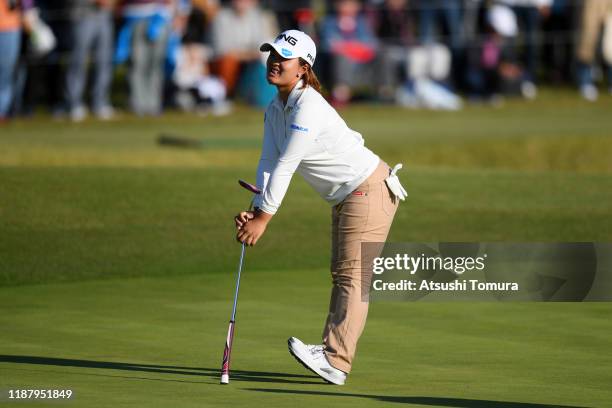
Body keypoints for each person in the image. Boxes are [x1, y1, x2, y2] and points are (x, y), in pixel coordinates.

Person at [233, 30, 407, 385]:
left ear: (303, 68)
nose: (275, 62)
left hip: (368, 188)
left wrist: (265, 218)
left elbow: (288, 164)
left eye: (284, 57)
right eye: (272, 54)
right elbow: (268, 161)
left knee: (352, 276)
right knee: (344, 274)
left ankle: (335, 360)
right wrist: (255, 207)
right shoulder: (275, 108)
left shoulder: (309, 106)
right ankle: (333, 356)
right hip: (349, 194)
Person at [65, 0, 116, 121]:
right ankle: (74, 103)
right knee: (78, 61)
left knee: (104, 61)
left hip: (104, 16)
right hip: (82, 15)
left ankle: (100, 102)